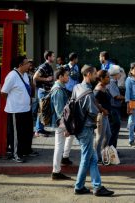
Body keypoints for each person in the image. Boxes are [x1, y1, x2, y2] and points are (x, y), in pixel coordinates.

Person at [72, 65, 114, 196]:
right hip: (86, 128)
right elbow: (92, 113)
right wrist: (99, 112)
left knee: (92, 158)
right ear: (88, 74)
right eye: (95, 73)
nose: (97, 75)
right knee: (87, 158)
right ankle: (82, 187)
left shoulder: (77, 87)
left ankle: (93, 186)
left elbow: (72, 103)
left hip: (78, 127)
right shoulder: (89, 92)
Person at [1, 55, 38, 163]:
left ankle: (26, 150)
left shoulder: (26, 75)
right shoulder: (12, 76)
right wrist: (13, 102)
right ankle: (15, 154)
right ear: (20, 65)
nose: (29, 65)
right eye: (27, 63)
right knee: (16, 134)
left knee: (26, 132)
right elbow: (4, 92)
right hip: (15, 110)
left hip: (26, 109)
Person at [51, 68, 73, 180]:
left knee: (61, 144)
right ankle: (56, 171)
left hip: (62, 122)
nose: (68, 78)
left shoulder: (60, 88)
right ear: (60, 77)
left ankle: (63, 160)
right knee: (59, 146)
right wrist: (65, 128)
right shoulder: (58, 90)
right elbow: (60, 111)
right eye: (66, 76)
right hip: (60, 123)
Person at [33, 50, 55, 137]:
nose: (54, 57)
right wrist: (46, 79)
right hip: (43, 91)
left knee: (44, 110)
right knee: (42, 110)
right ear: (48, 57)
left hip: (46, 91)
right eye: (52, 56)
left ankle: (41, 128)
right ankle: (38, 130)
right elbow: (35, 77)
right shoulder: (44, 66)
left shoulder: (48, 66)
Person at [94, 70, 112, 161]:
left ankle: (102, 152)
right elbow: (94, 102)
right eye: (107, 77)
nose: (109, 78)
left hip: (105, 115)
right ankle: (96, 157)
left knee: (108, 135)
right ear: (101, 78)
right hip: (100, 116)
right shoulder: (98, 89)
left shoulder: (104, 87)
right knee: (100, 137)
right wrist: (103, 110)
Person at [108, 65, 124, 148]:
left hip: (115, 108)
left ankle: (113, 149)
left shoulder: (114, 82)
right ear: (116, 74)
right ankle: (111, 149)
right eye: (119, 73)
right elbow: (116, 96)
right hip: (113, 108)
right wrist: (126, 98)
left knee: (115, 129)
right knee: (114, 129)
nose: (120, 75)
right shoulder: (111, 82)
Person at [125, 62, 135, 147]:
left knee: (132, 121)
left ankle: (130, 136)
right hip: (131, 102)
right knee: (132, 122)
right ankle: (131, 140)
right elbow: (127, 93)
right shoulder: (129, 80)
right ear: (131, 70)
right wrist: (128, 105)